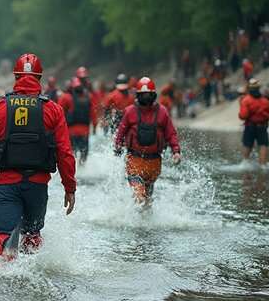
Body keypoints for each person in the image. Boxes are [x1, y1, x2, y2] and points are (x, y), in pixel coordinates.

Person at [0, 53, 76, 261]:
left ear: (15, 77)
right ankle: (29, 281)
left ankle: (4, 281)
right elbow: (65, 153)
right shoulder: (53, 110)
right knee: (32, 237)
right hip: (38, 186)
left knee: (5, 237)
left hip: (7, 184)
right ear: (39, 77)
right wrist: (70, 187)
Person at [114, 76, 181, 206]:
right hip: (134, 160)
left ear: (154, 95)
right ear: (138, 95)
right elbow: (121, 132)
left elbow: (171, 133)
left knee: (148, 197)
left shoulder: (162, 111)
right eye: (143, 94)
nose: (146, 97)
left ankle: (145, 222)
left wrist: (176, 151)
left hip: (154, 163)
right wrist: (117, 148)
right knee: (140, 196)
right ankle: (139, 221)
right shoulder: (130, 111)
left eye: (148, 94)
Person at [58, 76, 98, 165]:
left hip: (71, 132)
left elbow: (58, 112)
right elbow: (94, 115)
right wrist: (95, 128)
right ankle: (82, 167)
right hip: (85, 132)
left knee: (72, 153)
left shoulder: (66, 97)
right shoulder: (89, 97)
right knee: (84, 153)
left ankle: (74, 170)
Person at [239, 78, 269, 166]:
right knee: (263, 146)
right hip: (262, 127)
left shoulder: (246, 100)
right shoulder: (265, 101)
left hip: (250, 127)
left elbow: (243, 116)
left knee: (247, 146)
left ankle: (245, 164)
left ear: (249, 88)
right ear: (258, 88)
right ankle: (263, 166)